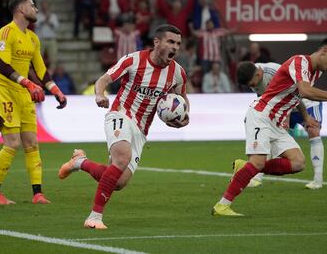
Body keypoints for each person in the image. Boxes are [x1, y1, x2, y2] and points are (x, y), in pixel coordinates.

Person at [58, 24, 190, 229]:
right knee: (122, 158)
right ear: (157, 42)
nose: (175, 47)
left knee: (118, 182)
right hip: (120, 114)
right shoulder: (134, 60)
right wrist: (100, 94)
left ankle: (80, 162)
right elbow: (104, 79)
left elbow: (182, 99)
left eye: (178, 44)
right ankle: (94, 217)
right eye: (170, 41)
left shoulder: (178, 73)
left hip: (141, 130)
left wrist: (184, 119)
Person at [212, 38, 327, 216]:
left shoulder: (315, 72)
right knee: (258, 162)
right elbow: (305, 91)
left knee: (298, 163)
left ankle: (246, 168)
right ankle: (222, 205)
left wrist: (305, 116)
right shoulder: (299, 62)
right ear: (323, 52)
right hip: (261, 116)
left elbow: (298, 96)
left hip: (276, 122)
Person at [0, 0, 67, 205]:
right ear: (21, 8)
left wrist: (55, 89)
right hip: (4, 91)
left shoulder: (32, 38)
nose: (36, 9)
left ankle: (37, 194)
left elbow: (40, 69)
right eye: (32, 5)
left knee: (31, 143)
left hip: (23, 94)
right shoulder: (5, 33)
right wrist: (28, 83)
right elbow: (3, 67)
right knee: (12, 143)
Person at [235, 61, 324, 189]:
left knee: (313, 131)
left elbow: (295, 93)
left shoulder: (272, 73)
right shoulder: (251, 73)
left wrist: (301, 117)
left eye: (252, 83)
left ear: (258, 74)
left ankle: (318, 180)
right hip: (284, 106)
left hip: (305, 101)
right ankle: (256, 175)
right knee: (269, 134)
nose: (252, 86)